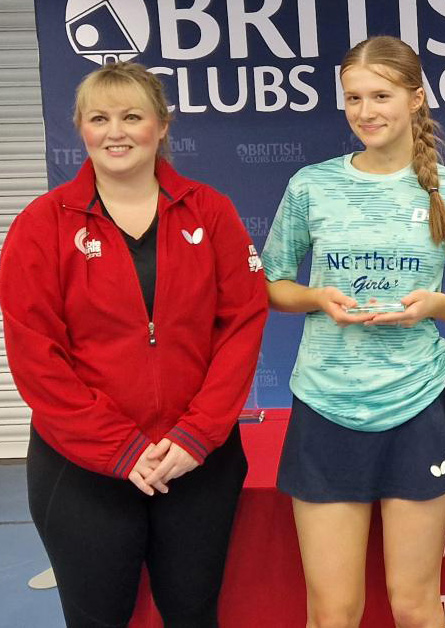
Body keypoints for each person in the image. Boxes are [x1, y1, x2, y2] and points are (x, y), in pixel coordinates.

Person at [0, 62, 268, 627]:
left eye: (131, 117)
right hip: (83, 470)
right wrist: (118, 448)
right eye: (99, 118)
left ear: (162, 125)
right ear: (81, 127)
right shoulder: (42, 225)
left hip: (195, 462)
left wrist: (197, 434)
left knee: (194, 615)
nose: (115, 132)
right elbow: (36, 355)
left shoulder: (210, 211)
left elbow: (242, 325)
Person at [261, 36, 445, 628]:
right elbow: (272, 283)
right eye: (353, 98)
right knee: (334, 611)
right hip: (325, 404)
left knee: (414, 605)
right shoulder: (311, 185)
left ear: (415, 98)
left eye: (381, 96)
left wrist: (433, 305)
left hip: (417, 406)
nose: (365, 111)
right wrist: (317, 298)